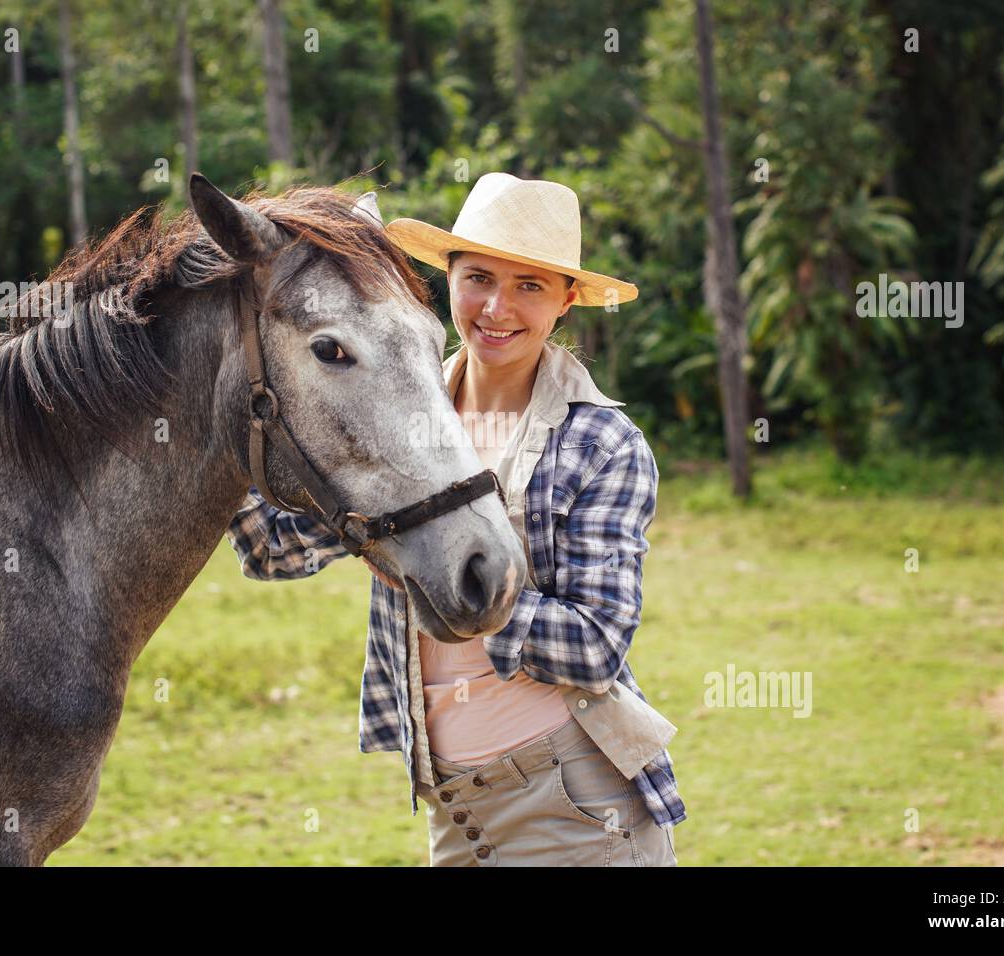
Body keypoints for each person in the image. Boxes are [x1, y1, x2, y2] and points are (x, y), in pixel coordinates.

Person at [228, 172, 685, 866]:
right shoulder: (395, 424)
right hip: (453, 811)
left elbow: (596, 645)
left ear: (565, 300)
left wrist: (462, 582)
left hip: (577, 803)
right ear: (448, 277)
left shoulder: (600, 443)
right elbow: (273, 550)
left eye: (530, 285)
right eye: (478, 277)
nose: (497, 308)